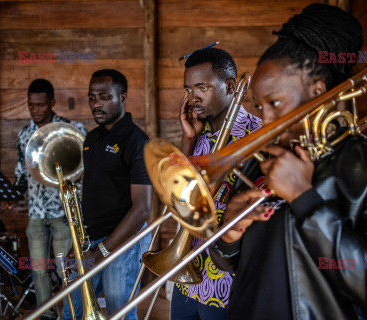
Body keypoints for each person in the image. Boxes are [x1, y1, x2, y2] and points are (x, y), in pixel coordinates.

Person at [209, 4, 367, 320]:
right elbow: (232, 264)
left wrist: (305, 198)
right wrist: (228, 237)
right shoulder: (257, 161)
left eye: (275, 103)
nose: (266, 121)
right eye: (260, 107)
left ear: (318, 93)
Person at [171, 47, 262, 320]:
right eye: (188, 88)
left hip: (227, 285)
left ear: (231, 86)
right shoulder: (199, 133)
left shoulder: (257, 134)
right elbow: (179, 194)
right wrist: (187, 139)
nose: (192, 97)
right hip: (188, 276)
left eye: (202, 87)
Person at [62, 69, 152, 320]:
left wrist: (101, 250)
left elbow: (142, 208)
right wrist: (77, 244)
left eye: (104, 96)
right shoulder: (91, 139)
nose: (96, 103)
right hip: (90, 242)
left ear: (122, 98)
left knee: (119, 313)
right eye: (92, 97)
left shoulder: (137, 142)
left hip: (123, 244)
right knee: (72, 312)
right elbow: (91, 195)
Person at [14, 79, 87, 320]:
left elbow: (83, 170)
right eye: (31, 105)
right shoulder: (24, 134)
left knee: (66, 269)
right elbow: (21, 174)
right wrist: (12, 196)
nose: (35, 110)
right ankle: (45, 314)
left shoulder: (70, 129)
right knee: (39, 270)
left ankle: (72, 313)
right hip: (36, 214)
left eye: (40, 105)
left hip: (63, 214)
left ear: (52, 103)